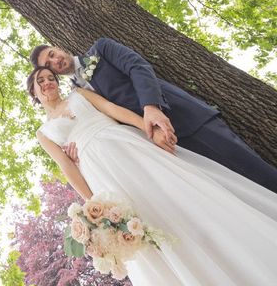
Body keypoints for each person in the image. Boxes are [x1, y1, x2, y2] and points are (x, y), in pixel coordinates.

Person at [29, 66, 277, 285]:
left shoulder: (79, 94)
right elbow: (66, 166)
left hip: (127, 144)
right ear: (34, 92)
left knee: (176, 191)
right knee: (145, 216)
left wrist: (148, 128)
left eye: (51, 77)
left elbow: (113, 109)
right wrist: (93, 203)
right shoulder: (43, 133)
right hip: (99, 170)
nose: (48, 82)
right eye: (40, 81)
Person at [30, 37, 277, 193]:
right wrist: (77, 151)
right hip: (158, 147)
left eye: (52, 54)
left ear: (58, 47)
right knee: (231, 190)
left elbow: (139, 67)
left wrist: (151, 106)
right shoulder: (78, 95)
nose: (55, 61)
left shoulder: (101, 49)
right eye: (49, 65)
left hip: (183, 119)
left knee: (249, 167)